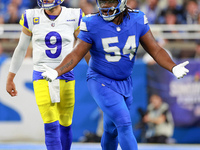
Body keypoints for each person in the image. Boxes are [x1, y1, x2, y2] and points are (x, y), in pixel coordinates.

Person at [41, 0, 189, 149]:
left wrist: (173, 67)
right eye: (103, 1)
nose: (105, 5)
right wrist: (57, 71)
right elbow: (76, 53)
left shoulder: (137, 19)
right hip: (100, 80)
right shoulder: (91, 22)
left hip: (125, 82)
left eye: (110, 1)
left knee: (111, 130)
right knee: (124, 122)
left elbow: (155, 50)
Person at [6, 0, 86, 150]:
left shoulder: (73, 15)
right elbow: (21, 48)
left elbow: (83, 47)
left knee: (65, 123)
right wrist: (11, 77)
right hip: (41, 74)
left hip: (66, 74)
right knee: (50, 125)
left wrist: (94, 71)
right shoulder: (31, 16)